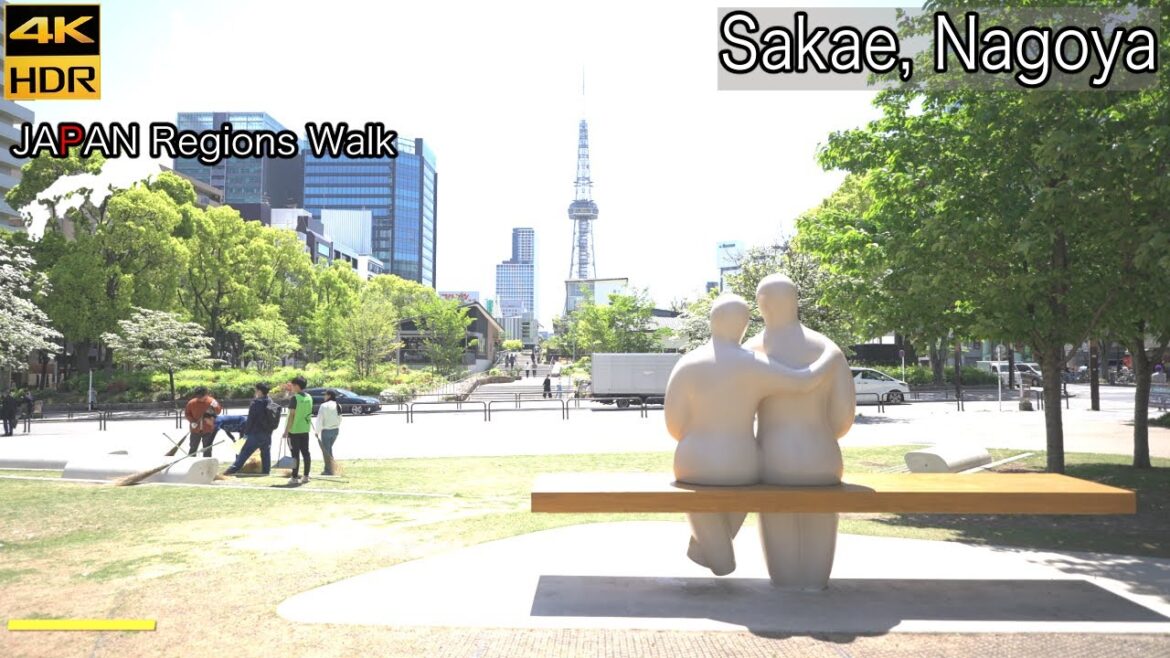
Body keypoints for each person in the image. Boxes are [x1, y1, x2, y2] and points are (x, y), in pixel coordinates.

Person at [664, 294, 835, 576]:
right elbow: (803, 381)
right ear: (744, 326)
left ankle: (715, 557)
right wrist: (830, 355)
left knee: (710, 531)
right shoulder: (753, 363)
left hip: (693, 460)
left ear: (711, 322)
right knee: (739, 492)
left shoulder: (687, 364)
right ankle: (713, 555)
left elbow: (674, 425)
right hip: (743, 464)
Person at [744, 274, 855, 590]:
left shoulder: (750, 351)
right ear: (795, 303)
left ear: (760, 306)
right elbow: (843, 420)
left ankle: (786, 584)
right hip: (821, 454)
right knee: (820, 522)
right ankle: (815, 583)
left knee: (779, 527)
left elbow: (739, 415)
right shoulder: (827, 349)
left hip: (773, 457)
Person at [224, 383, 277, 476]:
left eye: (256, 390)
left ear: (260, 391)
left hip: (255, 433)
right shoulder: (270, 402)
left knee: (245, 452)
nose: (255, 392)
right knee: (265, 453)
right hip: (267, 433)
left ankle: (231, 470)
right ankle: (266, 471)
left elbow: (250, 420)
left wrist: (246, 433)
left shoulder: (256, 403)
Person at [282, 375, 313, 485]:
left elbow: (292, 416)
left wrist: (286, 431)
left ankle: (294, 477)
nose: (291, 387)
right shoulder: (309, 397)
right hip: (305, 429)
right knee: (306, 453)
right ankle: (306, 476)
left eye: (292, 385)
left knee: (295, 454)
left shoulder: (295, 398)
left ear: (297, 386)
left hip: (294, 430)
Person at [184, 386, 222, 458]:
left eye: (201, 397)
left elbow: (218, 411)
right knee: (193, 448)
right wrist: (192, 421)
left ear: (206, 394)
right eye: (198, 397)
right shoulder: (191, 403)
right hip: (195, 430)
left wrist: (216, 407)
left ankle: (206, 464)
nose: (200, 399)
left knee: (207, 449)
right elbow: (187, 413)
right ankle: (190, 463)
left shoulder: (212, 401)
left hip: (208, 429)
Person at [316, 389, 342, 476]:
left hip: (326, 431)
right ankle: (331, 468)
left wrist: (317, 431)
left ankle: (329, 469)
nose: (324, 396)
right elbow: (340, 419)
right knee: (329, 449)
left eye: (325, 395)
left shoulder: (324, 406)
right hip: (335, 430)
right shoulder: (338, 405)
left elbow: (320, 420)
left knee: (326, 452)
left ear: (329, 396)